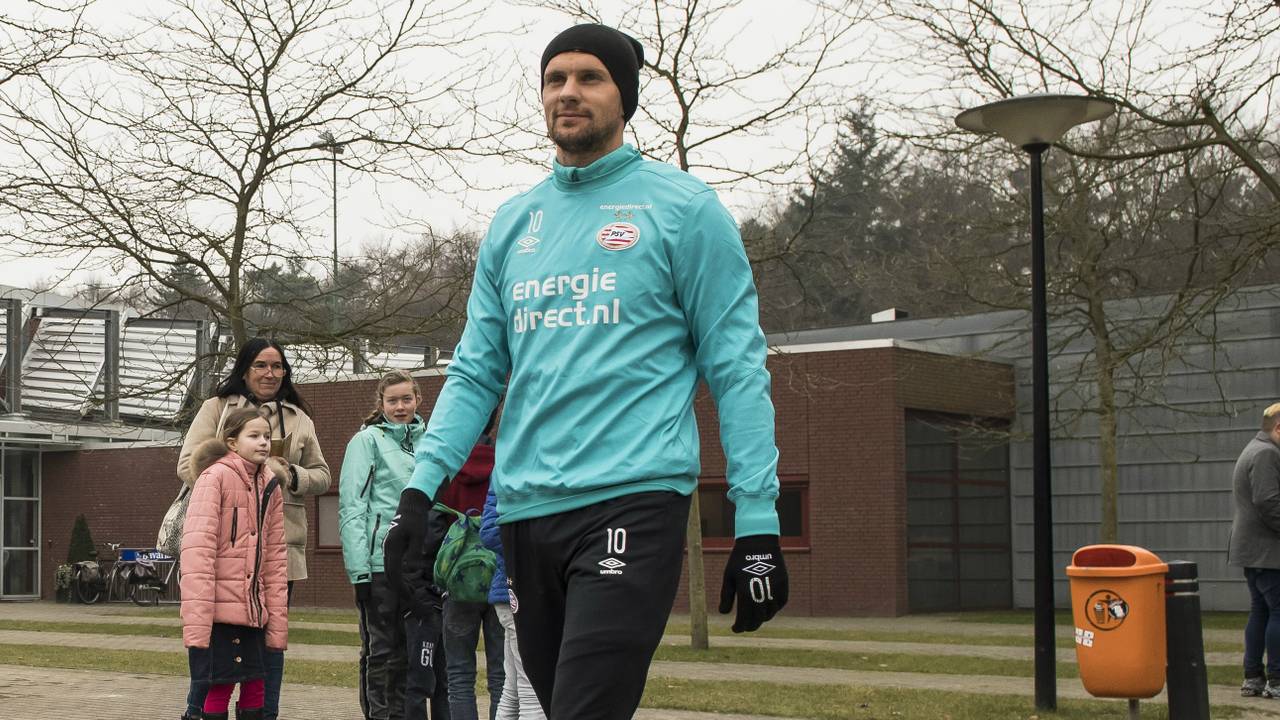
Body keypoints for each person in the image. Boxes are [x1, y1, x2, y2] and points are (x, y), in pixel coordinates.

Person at [383, 23, 788, 720]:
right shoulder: (514, 225)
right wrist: (419, 493)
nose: (568, 92)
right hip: (526, 513)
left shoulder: (686, 210)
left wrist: (757, 520)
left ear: (624, 98)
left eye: (589, 77)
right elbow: (478, 371)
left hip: (634, 497)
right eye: (555, 79)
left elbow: (737, 368)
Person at [177, 338, 331, 720]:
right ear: (245, 368)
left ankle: (265, 713)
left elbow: (323, 476)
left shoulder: (299, 418)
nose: (270, 373)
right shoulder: (217, 408)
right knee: (217, 647)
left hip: (280, 548)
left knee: (269, 642)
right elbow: (187, 464)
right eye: (261, 365)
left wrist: (287, 474)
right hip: (226, 552)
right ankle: (197, 712)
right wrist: (239, 472)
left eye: (278, 366)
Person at [181, 408, 288, 720]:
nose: (264, 442)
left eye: (267, 436)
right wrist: (200, 619)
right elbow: (198, 552)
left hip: (255, 610)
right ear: (232, 442)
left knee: (257, 682)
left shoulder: (270, 484)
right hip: (220, 612)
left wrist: (276, 615)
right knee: (219, 684)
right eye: (254, 436)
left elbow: (276, 557)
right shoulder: (214, 478)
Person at [340, 370, 427, 720]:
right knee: (380, 652)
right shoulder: (367, 442)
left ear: (418, 399)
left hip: (418, 565)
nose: (401, 406)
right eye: (393, 400)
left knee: (409, 651)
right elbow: (352, 507)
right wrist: (359, 570)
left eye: (407, 399)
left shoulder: (428, 440)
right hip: (378, 565)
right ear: (381, 403)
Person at [436, 423, 505, 720]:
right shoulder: (505, 461)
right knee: (501, 677)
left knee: (459, 676)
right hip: (498, 577)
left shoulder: (447, 468)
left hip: (458, 580)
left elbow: (435, 523)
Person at [1230, 402, 1280, 698]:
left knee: (1260, 611)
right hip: (1268, 552)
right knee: (1277, 611)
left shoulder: (1255, 448)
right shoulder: (1266, 454)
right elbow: (1268, 502)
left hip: (1254, 551)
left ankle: (1253, 677)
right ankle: (1275, 679)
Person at [480, 486, 543, 720]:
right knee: (532, 691)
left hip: (517, 593)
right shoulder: (506, 473)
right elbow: (489, 532)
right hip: (517, 593)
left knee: (514, 689)